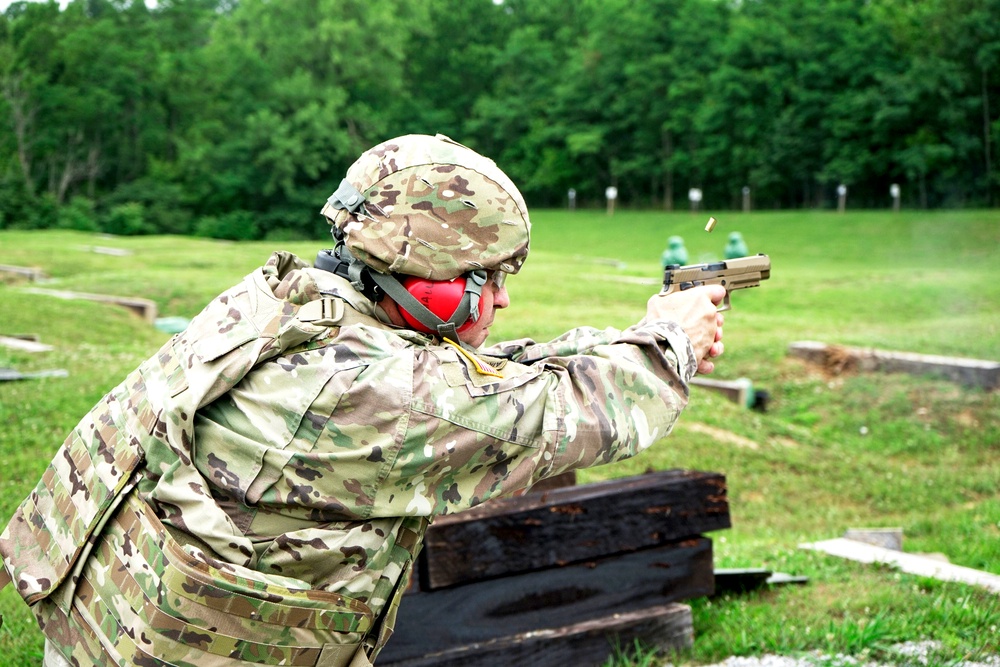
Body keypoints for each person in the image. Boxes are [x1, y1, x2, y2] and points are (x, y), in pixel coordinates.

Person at [0, 134, 724, 666]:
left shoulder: (293, 300)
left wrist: (638, 333)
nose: (503, 298)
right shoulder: (378, 393)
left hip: (116, 634)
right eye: (488, 275)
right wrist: (672, 344)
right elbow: (565, 412)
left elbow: (473, 376)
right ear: (431, 279)